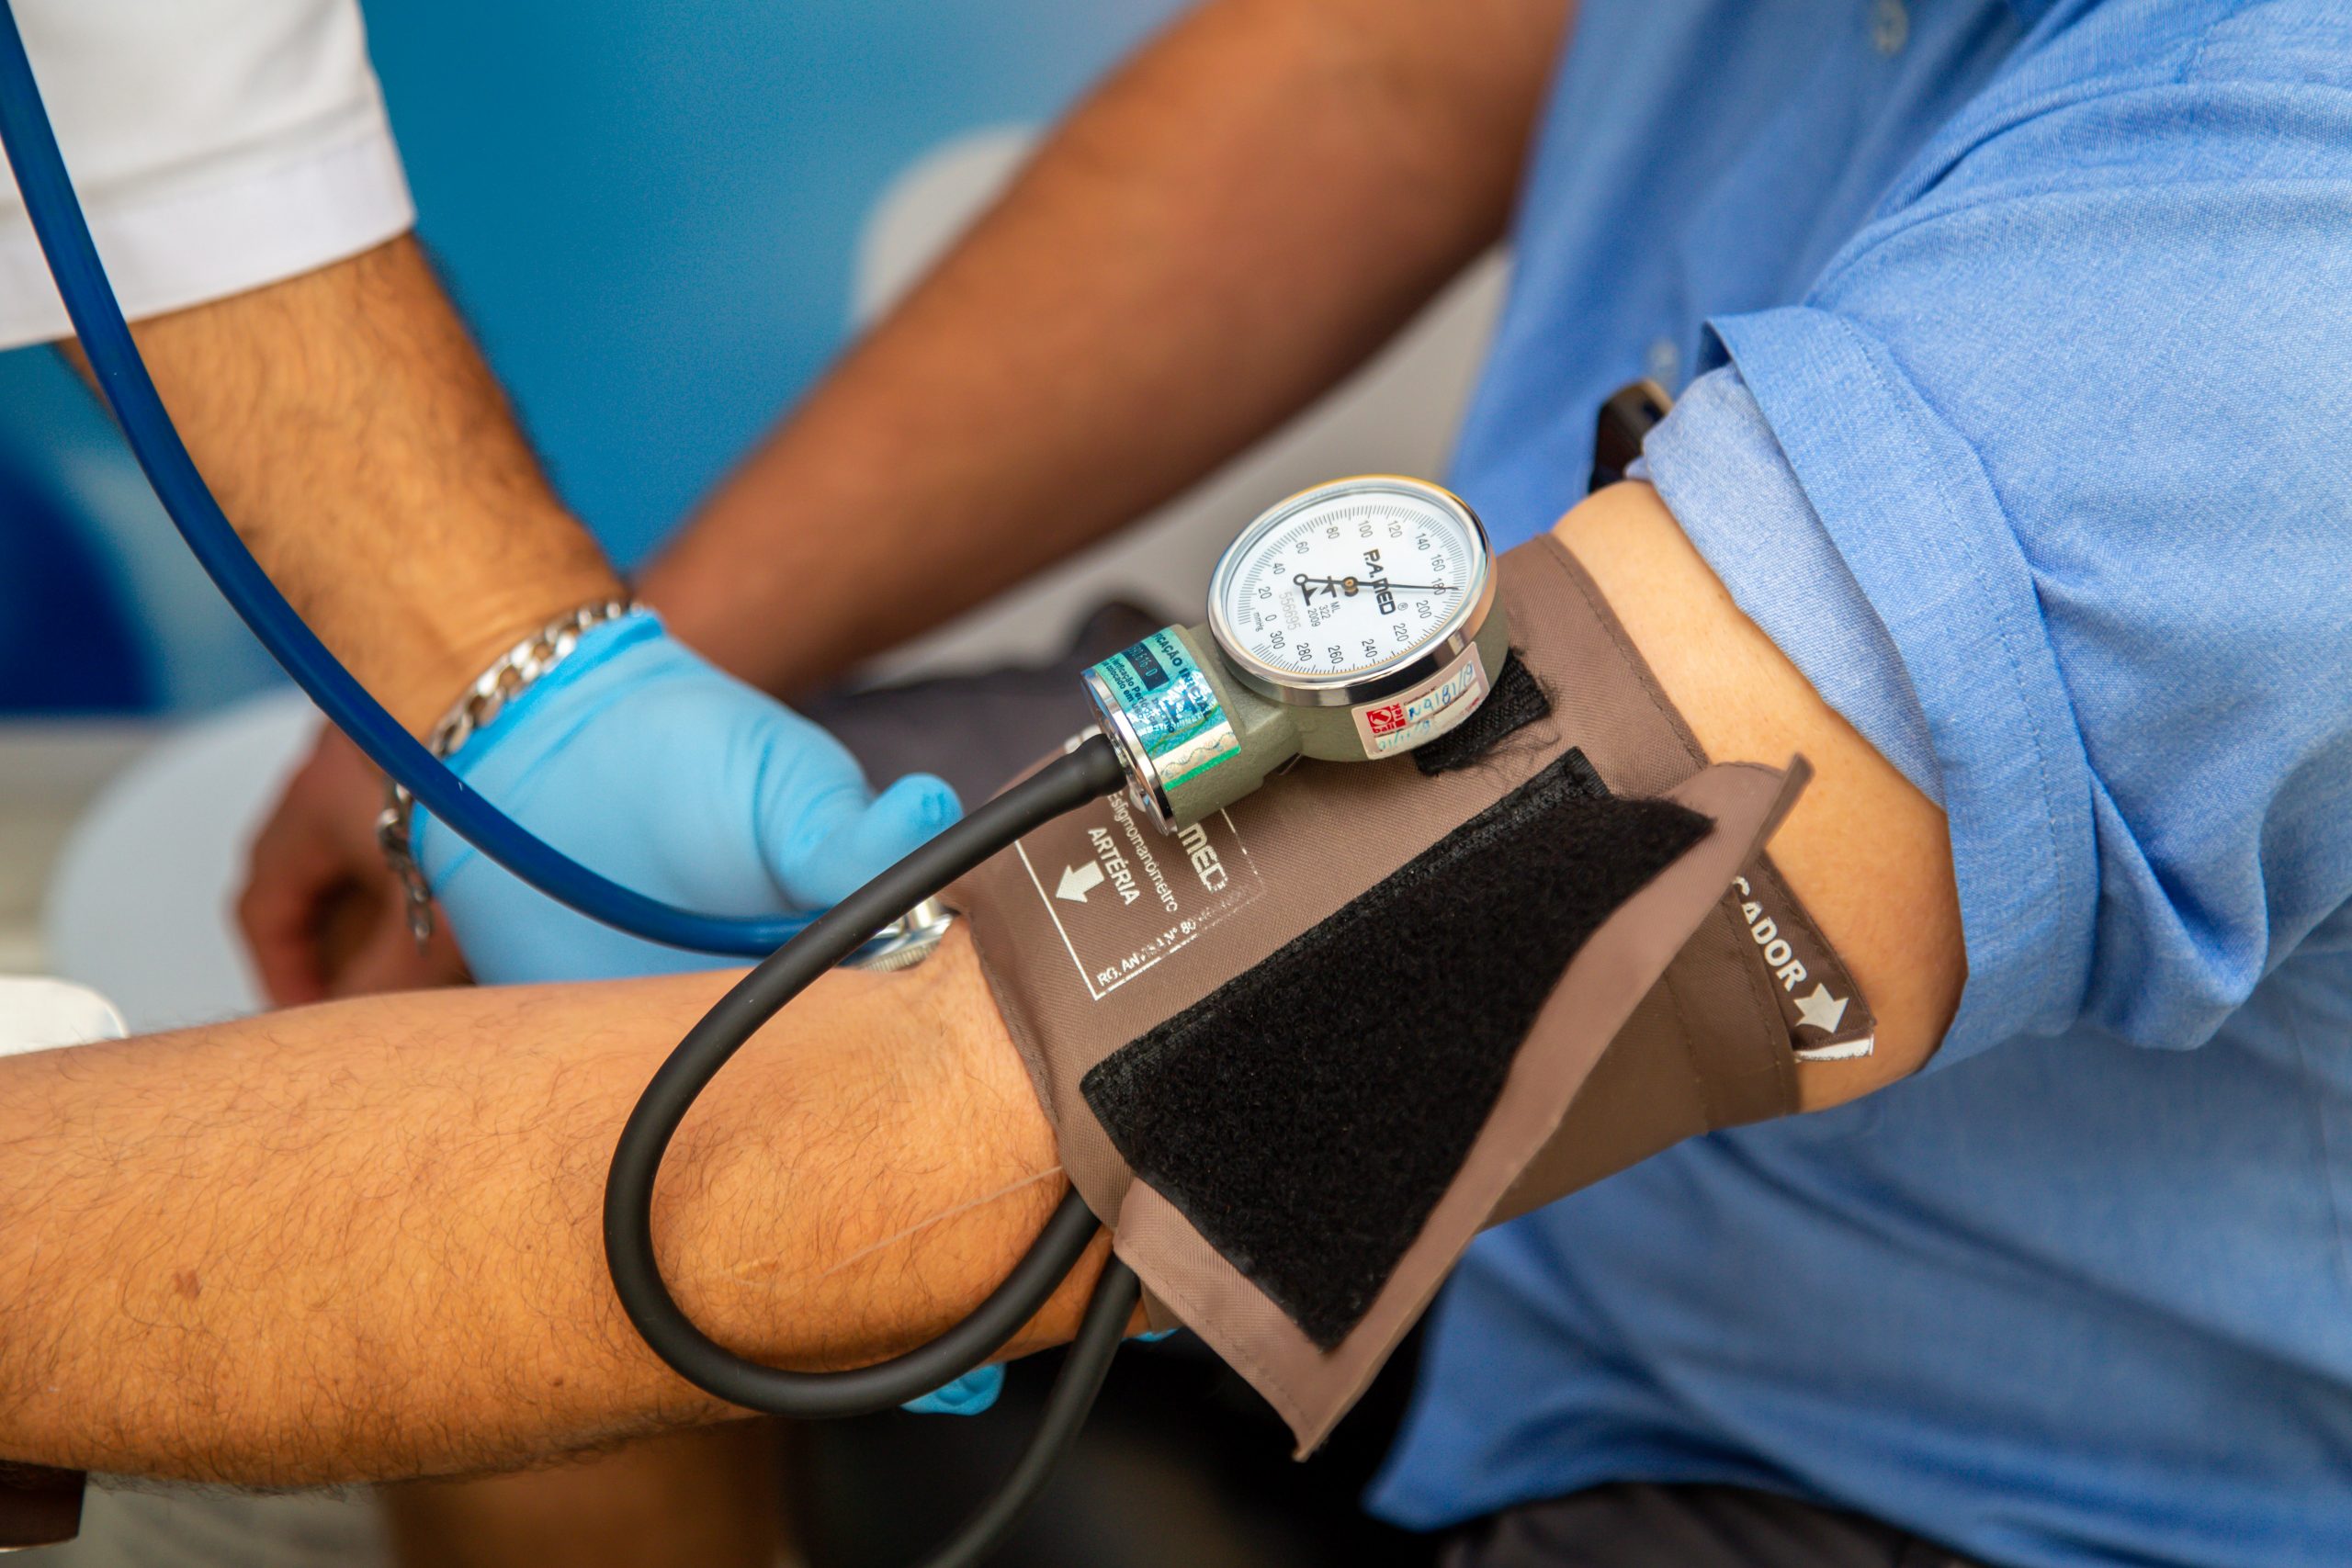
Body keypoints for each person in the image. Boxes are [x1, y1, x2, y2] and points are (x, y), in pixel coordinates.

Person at [21, 0, 2352, 1563]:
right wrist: (553, 696)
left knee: (768, 1137)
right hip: (1548, 1021)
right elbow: (1376, 69)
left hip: (1938, 1461)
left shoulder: (2262, 286)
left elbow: (932, 1137)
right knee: (482, 936)